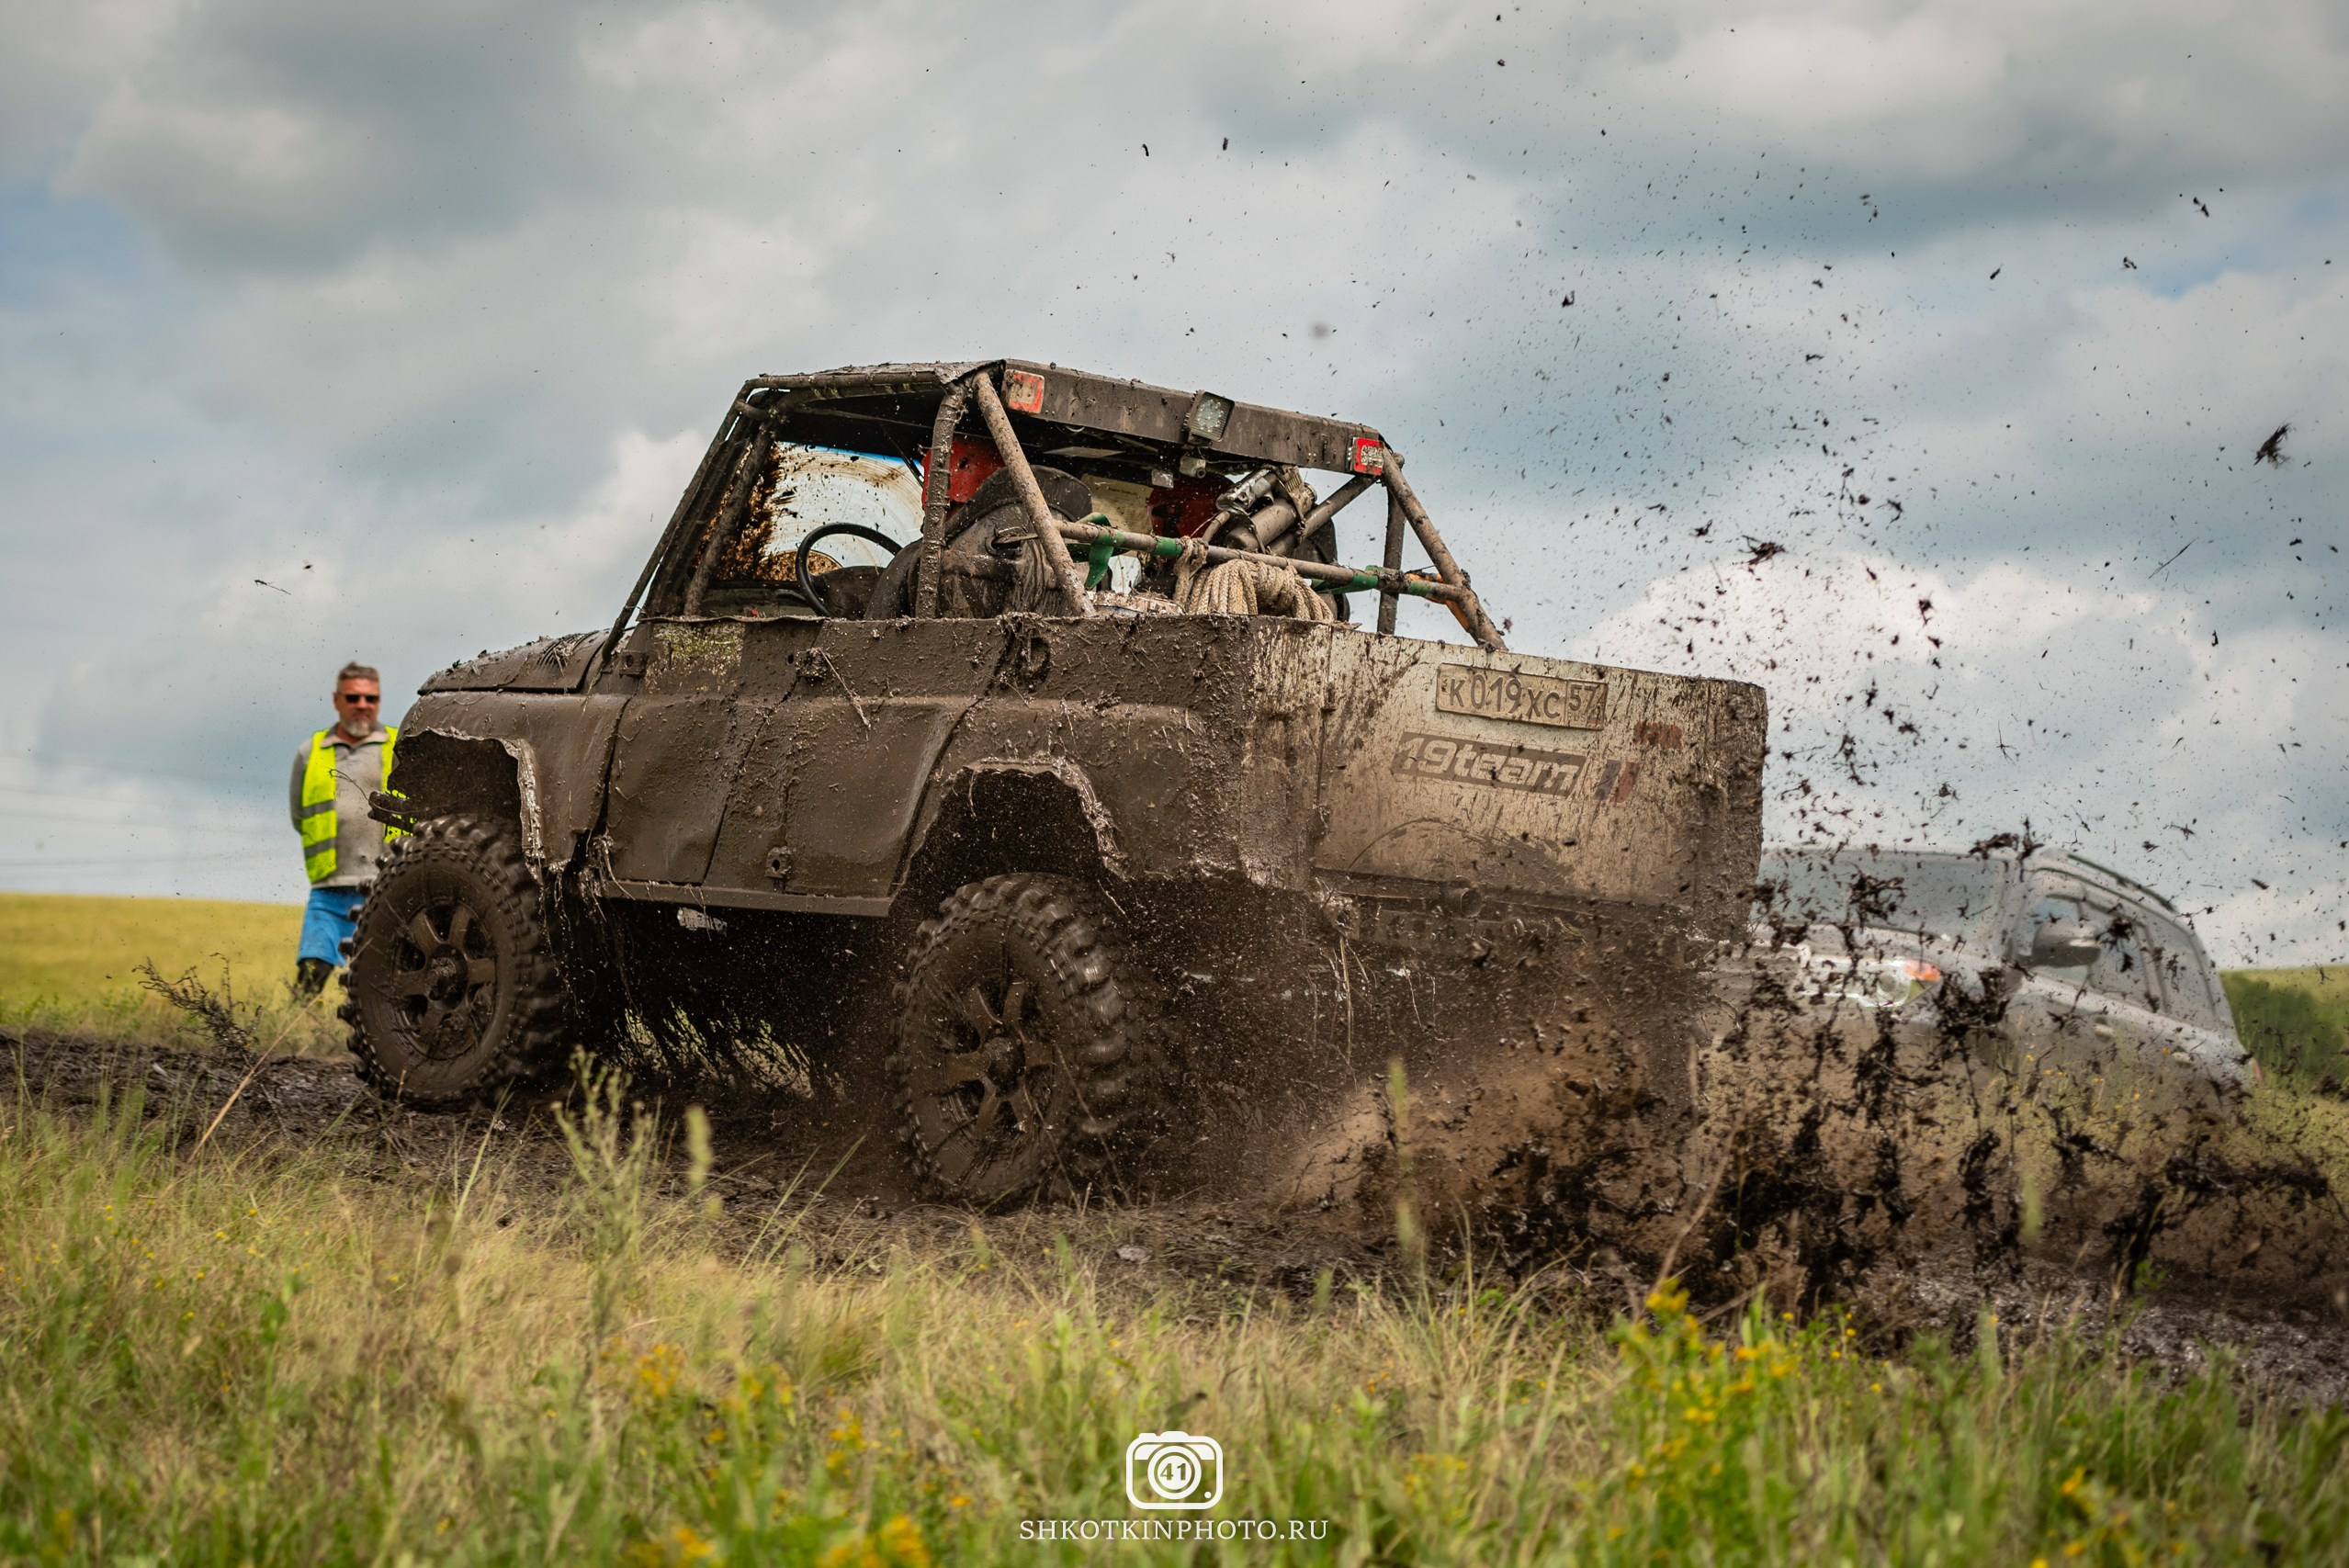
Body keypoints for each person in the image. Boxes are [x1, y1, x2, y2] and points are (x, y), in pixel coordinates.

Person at [288, 662, 398, 995]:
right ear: (337, 700)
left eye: (370, 698)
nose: (362, 705)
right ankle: (297, 1023)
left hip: (386, 883)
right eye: (353, 698)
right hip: (330, 887)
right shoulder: (310, 752)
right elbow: (300, 816)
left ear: (379, 701)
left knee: (384, 979)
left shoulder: (399, 745)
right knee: (313, 969)